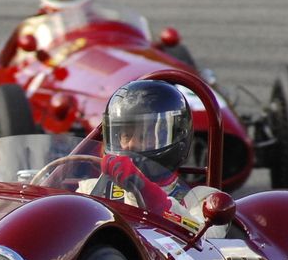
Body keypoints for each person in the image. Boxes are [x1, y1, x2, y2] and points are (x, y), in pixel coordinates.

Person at [92, 79, 230, 231]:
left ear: (176, 136)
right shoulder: (92, 188)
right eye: (126, 134)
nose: (131, 144)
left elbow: (204, 239)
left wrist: (143, 188)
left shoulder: (204, 201)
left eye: (145, 136)